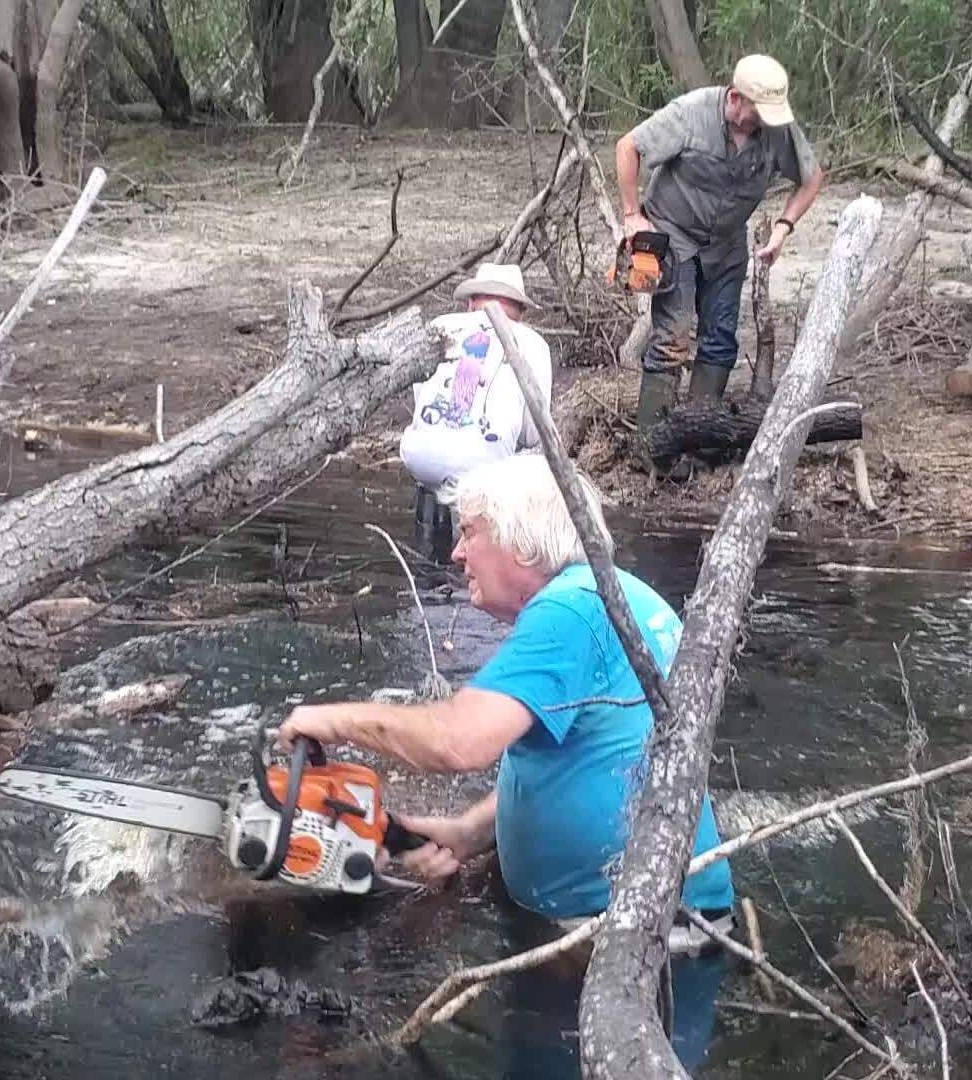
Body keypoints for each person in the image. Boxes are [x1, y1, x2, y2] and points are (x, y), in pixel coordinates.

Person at [276, 453, 733, 1072]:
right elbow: (597, 754)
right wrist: (471, 832)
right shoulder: (616, 598)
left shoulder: (568, 612)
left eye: (469, 532)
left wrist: (330, 720)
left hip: (628, 946)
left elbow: (460, 741)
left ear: (521, 542)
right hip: (652, 928)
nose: (457, 553)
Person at [615, 54, 825, 430]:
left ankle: (699, 434)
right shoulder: (690, 113)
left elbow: (811, 178)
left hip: (727, 244)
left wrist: (783, 227)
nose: (763, 121)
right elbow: (627, 147)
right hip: (674, 233)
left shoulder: (778, 130)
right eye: (758, 111)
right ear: (734, 98)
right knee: (672, 338)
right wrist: (632, 216)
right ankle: (653, 440)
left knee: (721, 341)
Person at [397, 263, 554, 567]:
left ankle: (427, 565)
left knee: (436, 471)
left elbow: (420, 399)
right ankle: (475, 565)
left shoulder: (439, 326)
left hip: (420, 458)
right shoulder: (533, 344)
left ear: (471, 302)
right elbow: (534, 433)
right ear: (520, 309)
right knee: (494, 473)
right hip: (482, 468)